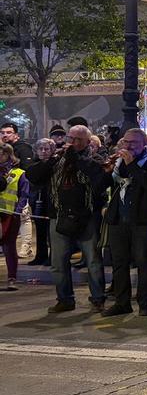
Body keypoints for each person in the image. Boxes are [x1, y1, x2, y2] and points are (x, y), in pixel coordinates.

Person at [30, 126, 107, 312]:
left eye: (78, 139)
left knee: (93, 261)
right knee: (58, 262)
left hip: (86, 217)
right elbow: (33, 175)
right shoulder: (57, 160)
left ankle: (98, 298)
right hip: (59, 216)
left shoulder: (94, 159)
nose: (72, 143)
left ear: (88, 142)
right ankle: (64, 299)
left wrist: (77, 159)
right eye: (70, 138)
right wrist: (53, 159)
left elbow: (100, 179)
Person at [102, 130, 147, 317]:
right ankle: (122, 302)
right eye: (126, 142)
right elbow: (103, 185)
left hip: (140, 219)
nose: (128, 146)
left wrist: (132, 164)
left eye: (133, 143)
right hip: (118, 218)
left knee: (143, 261)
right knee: (119, 262)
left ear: (143, 143)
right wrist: (106, 171)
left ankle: (144, 303)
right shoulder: (118, 163)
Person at [0, 143, 30, 289]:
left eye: (1, 154)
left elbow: (24, 194)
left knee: (9, 247)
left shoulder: (19, 173)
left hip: (10, 214)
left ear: (7, 154)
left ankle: (12, 278)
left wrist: (18, 210)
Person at [23, 139, 55, 269]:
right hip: (38, 200)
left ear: (52, 151)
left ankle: (53, 257)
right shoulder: (33, 165)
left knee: (51, 232)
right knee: (40, 230)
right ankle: (40, 255)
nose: (43, 151)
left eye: (46, 149)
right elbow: (34, 175)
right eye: (40, 149)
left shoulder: (56, 163)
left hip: (52, 200)